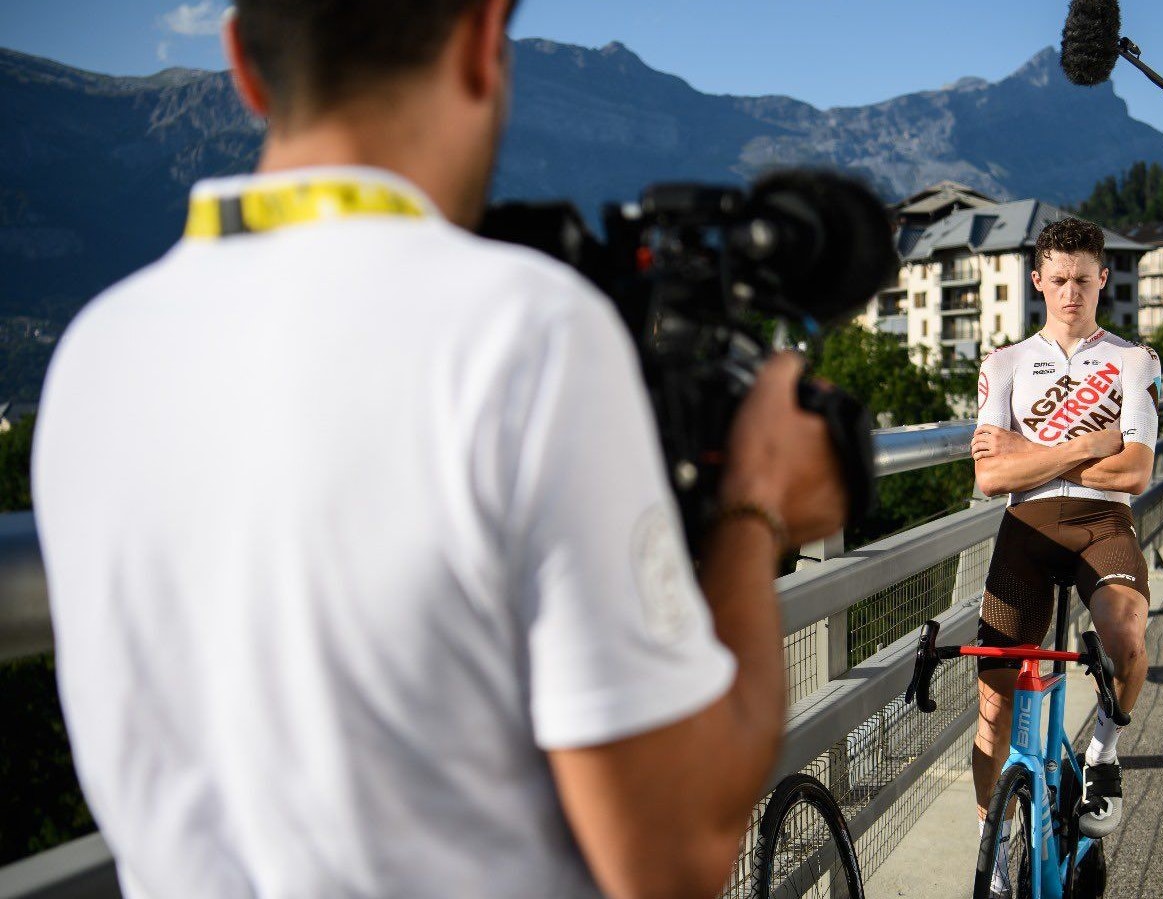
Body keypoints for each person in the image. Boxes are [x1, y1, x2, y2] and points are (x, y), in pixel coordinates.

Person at [30, 1, 847, 896]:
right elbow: (673, 855)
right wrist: (757, 504)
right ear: (478, 39)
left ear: (243, 63)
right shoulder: (523, 333)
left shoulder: (95, 355)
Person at [967, 217, 1160, 869]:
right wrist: (1080, 445)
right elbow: (991, 475)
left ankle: (1104, 753)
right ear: (1037, 281)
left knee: (1125, 636)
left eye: (1082, 279)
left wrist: (1032, 450)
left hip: (1103, 524)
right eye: (1057, 280)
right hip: (1024, 531)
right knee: (992, 710)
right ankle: (991, 855)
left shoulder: (1133, 360)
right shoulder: (1005, 363)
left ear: (1102, 278)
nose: (1070, 292)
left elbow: (1134, 471)